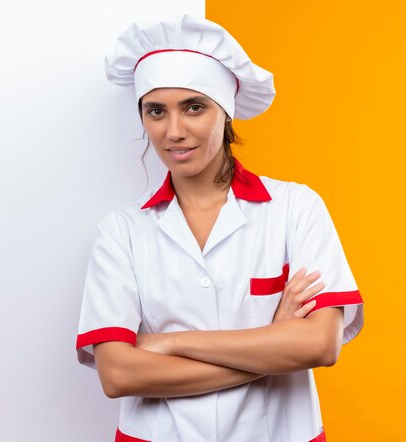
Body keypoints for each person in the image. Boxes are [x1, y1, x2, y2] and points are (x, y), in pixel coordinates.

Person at [75, 14, 364, 442]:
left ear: (225, 112)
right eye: (156, 111)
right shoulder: (121, 232)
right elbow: (118, 374)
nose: (174, 131)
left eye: (194, 107)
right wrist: (271, 344)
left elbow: (320, 345)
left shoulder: (295, 207)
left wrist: (171, 343)